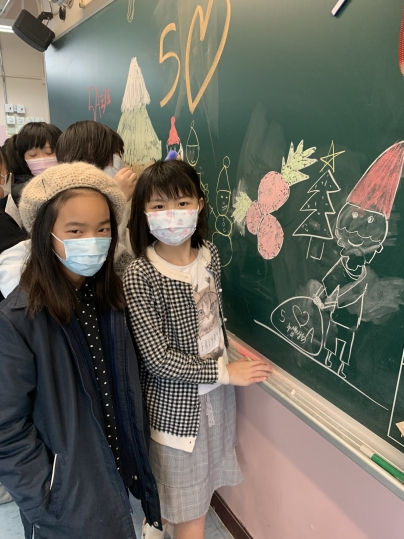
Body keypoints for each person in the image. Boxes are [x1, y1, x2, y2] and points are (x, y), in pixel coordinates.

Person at [0, 163, 161, 539]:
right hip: (64, 496)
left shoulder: (111, 298)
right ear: (46, 233)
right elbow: (6, 426)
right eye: (76, 230)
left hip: (114, 473)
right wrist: (45, 495)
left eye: (103, 229)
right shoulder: (19, 318)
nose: (93, 240)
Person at [123, 160, 272, 539]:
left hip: (217, 399)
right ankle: (158, 523)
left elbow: (212, 320)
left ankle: (158, 523)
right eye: (158, 206)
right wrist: (225, 371)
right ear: (143, 212)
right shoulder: (140, 274)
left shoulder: (209, 254)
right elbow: (157, 360)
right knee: (191, 515)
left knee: (196, 497)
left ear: (200, 204)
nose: (171, 214)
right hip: (176, 413)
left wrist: (227, 360)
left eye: (182, 203)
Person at [56, 120, 137, 274]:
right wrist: (117, 198)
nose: (118, 165)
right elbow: (100, 257)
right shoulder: (62, 205)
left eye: (118, 156)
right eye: (110, 158)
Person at [4, 122, 62, 205]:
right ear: (23, 158)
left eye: (49, 152)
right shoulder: (20, 192)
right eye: (33, 155)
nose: (42, 159)